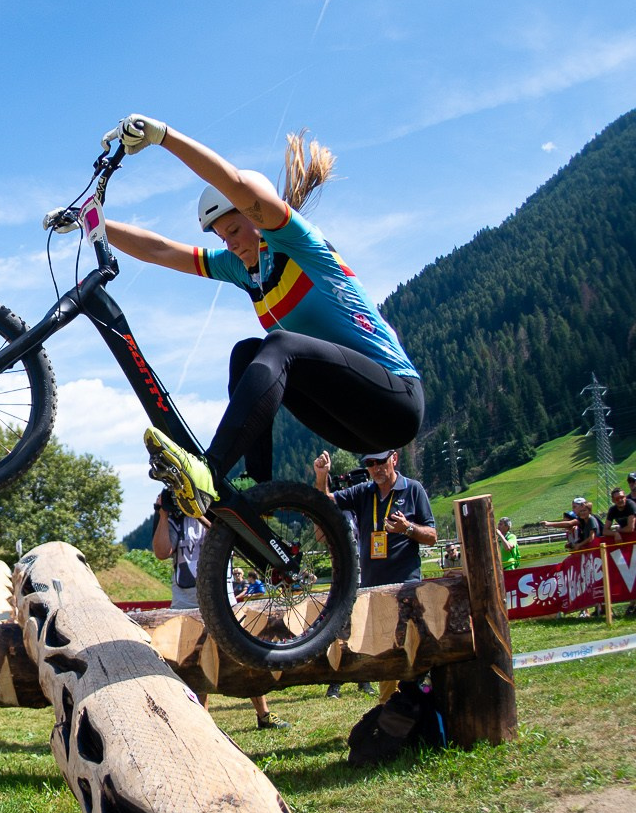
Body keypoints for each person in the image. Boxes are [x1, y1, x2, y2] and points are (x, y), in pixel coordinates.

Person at [91, 117, 422, 517]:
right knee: (246, 353)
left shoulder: (298, 241)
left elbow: (235, 183)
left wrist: (165, 137)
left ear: (258, 219)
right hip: (351, 423)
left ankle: (210, 470)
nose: (230, 244)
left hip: (396, 403)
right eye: (221, 238)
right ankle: (256, 489)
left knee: (278, 345)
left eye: (234, 229)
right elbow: (162, 251)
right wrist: (92, 224)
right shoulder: (244, 268)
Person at [152, 491, 288, 729]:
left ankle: (263, 714)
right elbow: (162, 552)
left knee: (243, 654)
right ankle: (203, 720)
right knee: (194, 662)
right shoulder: (174, 517)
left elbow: (235, 538)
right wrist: (162, 514)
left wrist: (200, 511)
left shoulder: (217, 512)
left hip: (222, 598)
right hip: (186, 602)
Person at [313, 448, 435, 700]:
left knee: (413, 647)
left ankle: (424, 703)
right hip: (373, 588)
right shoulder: (363, 492)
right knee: (384, 650)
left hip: (406, 585)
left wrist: (408, 528)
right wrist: (321, 476)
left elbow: (432, 536)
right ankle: (388, 707)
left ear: (394, 459)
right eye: (370, 463)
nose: (376, 468)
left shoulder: (413, 489)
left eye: (381, 462)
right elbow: (324, 501)